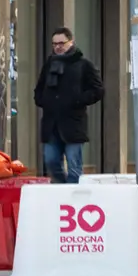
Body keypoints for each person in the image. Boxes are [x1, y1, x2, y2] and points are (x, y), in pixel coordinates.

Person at [34, 27, 104, 184]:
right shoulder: (49, 64)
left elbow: (98, 90)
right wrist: (42, 100)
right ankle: (62, 189)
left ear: (71, 42)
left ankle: (73, 196)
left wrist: (78, 100)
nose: (58, 46)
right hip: (51, 123)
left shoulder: (83, 64)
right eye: (55, 44)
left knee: (74, 165)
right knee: (51, 161)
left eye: (61, 43)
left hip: (73, 123)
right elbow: (39, 88)